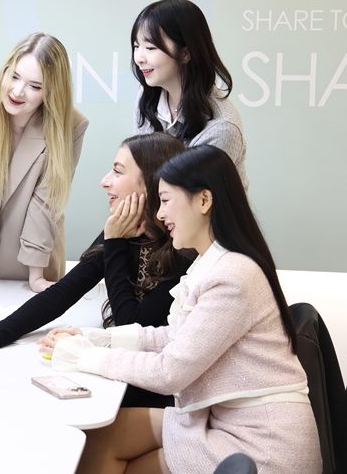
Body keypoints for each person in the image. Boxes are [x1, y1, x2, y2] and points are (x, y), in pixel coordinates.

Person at [49, 145, 320, 474]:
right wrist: (98, 340)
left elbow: (170, 372)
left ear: (204, 201)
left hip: (261, 445)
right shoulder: (217, 262)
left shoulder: (232, 276)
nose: (160, 215)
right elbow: (177, 337)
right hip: (225, 422)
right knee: (101, 439)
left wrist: (87, 358)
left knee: (113, 455)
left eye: (165, 200)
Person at [0, 132, 189, 408]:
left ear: (149, 183)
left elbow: (131, 325)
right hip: (121, 368)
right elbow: (63, 293)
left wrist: (114, 243)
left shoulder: (184, 246)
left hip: (157, 386)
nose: (105, 181)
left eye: (117, 171)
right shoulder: (122, 229)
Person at [0, 32, 89, 291]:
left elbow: (46, 202)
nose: (18, 91)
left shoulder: (70, 126)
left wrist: (36, 275)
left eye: (35, 86)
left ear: (52, 91)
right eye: (14, 76)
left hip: (32, 264)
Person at [131, 0, 249, 190]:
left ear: (186, 53)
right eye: (137, 46)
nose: (139, 59)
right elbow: (139, 170)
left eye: (151, 48)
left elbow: (187, 197)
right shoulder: (146, 98)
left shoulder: (221, 127)